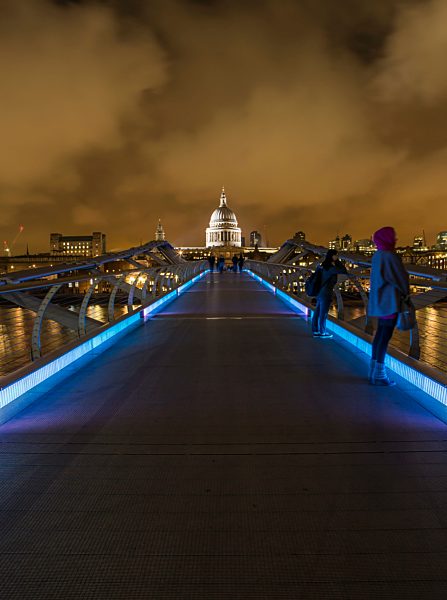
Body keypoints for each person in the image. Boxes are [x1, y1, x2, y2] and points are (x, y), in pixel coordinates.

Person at [368, 226, 409, 386]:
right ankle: (379, 375)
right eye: (394, 236)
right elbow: (400, 279)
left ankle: (373, 370)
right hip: (390, 302)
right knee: (385, 337)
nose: (396, 238)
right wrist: (406, 293)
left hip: (378, 302)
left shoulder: (377, 255)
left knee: (379, 336)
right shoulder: (391, 256)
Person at [311, 249, 348, 339]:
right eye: (336, 255)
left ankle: (315, 330)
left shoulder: (323, 266)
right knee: (323, 313)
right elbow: (344, 270)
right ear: (332, 256)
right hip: (326, 293)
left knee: (317, 312)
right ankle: (322, 332)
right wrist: (338, 262)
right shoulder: (331, 268)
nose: (337, 257)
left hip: (320, 292)